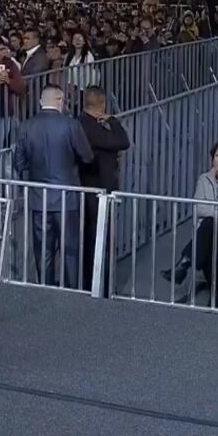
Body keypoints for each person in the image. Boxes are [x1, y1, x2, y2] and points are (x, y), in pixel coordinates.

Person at [13, 85, 94, 289]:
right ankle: (72, 293)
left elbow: (19, 163)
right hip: (67, 197)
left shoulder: (26, 126)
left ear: (41, 101)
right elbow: (87, 156)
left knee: (43, 252)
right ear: (60, 101)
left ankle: (45, 292)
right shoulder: (71, 125)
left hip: (38, 198)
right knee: (70, 252)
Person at [162, 141, 218, 292]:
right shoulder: (204, 179)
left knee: (208, 226)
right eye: (217, 155)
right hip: (208, 230)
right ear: (212, 159)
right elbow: (198, 208)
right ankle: (214, 296)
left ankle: (184, 263)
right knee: (209, 237)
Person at [78, 86, 130, 292]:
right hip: (98, 191)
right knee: (100, 240)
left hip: (87, 189)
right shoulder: (93, 128)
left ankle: (91, 284)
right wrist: (113, 121)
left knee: (90, 240)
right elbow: (123, 142)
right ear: (102, 104)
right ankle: (101, 287)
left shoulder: (79, 123)